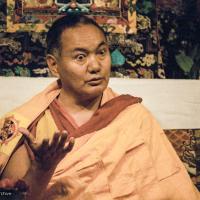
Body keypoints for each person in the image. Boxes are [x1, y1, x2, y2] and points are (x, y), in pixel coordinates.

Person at [0, 14, 199, 200]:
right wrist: (40, 170)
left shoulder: (132, 116)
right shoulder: (28, 124)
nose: (95, 66)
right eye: (80, 57)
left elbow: (171, 185)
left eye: (101, 52)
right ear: (54, 65)